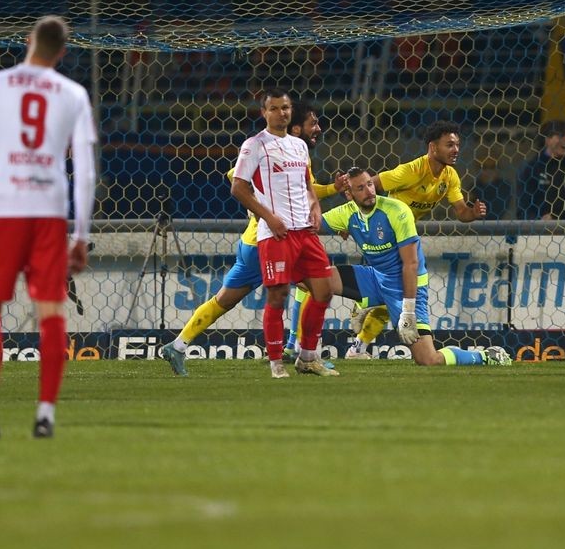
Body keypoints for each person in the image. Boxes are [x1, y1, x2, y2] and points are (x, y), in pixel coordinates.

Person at [0, 16, 97, 439]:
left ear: (29, 42)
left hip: (2, 210)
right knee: (50, 309)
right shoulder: (73, 93)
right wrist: (81, 233)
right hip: (48, 213)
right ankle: (46, 415)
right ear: (63, 53)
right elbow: (85, 170)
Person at [161, 99, 346, 376]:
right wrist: (264, 208)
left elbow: (304, 190)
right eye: (313, 123)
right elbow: (235, 176)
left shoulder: (297, 152)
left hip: (274, 238)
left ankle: (178, 345)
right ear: (296, 127)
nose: (318, 128)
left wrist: (325, 195)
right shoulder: (264, 148)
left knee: (230, 299)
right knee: (306, 289)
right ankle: (298, 353)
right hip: (264, 242)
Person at [321, 168, 511, 367]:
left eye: (370, 184)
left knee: (428, 359)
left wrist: (408, 311)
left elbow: (411, 264)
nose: (369, 191)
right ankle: (309, 353)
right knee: (311, 279)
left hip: (407, 287)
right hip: (375, 278)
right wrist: (323, 190)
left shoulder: (396, 211)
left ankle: (486, 356)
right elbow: (308, 224)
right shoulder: (346, 213)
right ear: (349, 194)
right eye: (360, 188)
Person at [346, 120, 488, 359]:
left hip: (403, 241)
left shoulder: (450, 176)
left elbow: (461, 211)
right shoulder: (410, 171)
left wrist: (472, 214)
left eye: (457, 145)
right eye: (449, 144)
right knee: (394, 296)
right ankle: (363, 303)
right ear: (433, 147)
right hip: (383, 239)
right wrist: (351, 220)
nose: (455, 150)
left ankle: (357, 346)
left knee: (394, 301)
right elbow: (368, 186)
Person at [229, 88, 336, 379]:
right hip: (276, 234)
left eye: (286, 107)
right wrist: (269, 217)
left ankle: (308, 357)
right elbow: (238, 187)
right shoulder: (255, 145)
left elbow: (307, 183)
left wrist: (315, 207)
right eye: (274, 108)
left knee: (323, 291)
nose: (282, 113)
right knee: (278, 295)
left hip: (305, 231)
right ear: (264, 113)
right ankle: (276, 361)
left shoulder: (299, 146)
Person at [516, 120, 565, 220]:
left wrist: (555, 216)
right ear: (548, 140)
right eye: (561, 136)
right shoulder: (532, 168)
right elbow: (523, 204)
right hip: (537, 230)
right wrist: (539, 219)